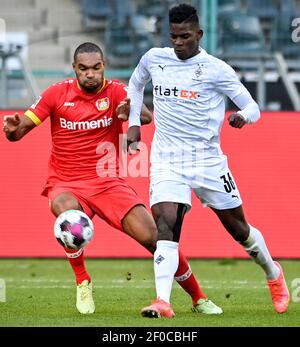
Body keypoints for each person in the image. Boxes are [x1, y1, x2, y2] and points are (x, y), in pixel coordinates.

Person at [3, 42, 222, 316]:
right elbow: (19, 130)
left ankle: (198, 297)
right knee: (68, 218)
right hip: (66, 183)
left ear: (103, 65)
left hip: (108, 183)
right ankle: (82, 280)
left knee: (156, 238)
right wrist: (12, 130)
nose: (90, 74)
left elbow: (146, 117)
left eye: (96, 68)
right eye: (83, 69)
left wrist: (129, 114)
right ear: (75, 69)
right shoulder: (57, 93)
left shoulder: (117, 91)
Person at [126, 4, 290, 318]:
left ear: (199, 34)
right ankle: (163, 301)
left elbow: (252, 106)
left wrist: (242, 117)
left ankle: (272, 273)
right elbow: (135, 85)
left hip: (208, 162)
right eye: (173, 36)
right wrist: (134, 123)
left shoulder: (217, 69)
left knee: (239, 230)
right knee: (165, 223)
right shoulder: (154, 58)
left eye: (184, 36)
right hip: (167, 159)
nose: (177, 42)